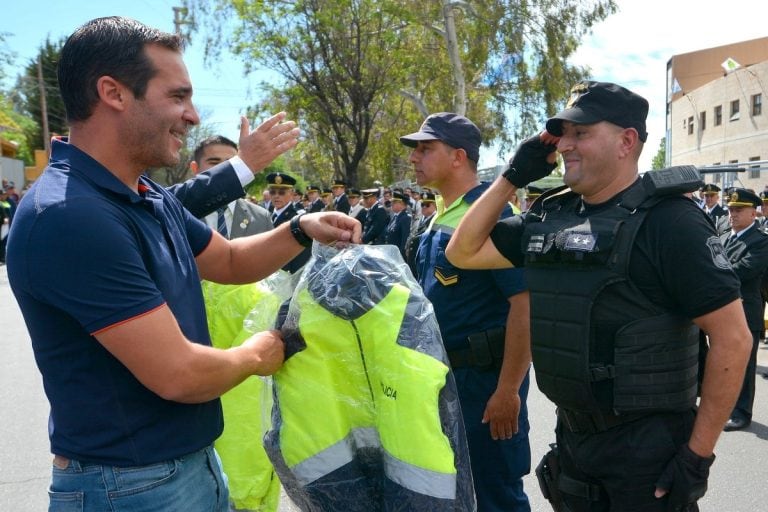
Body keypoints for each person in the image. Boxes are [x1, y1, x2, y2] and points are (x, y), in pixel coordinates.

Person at [5, 17, 360, 512]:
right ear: (113, 92)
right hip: (129, 487)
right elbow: (180, 374)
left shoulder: (144, 194)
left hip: (186, 467)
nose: (192, 116)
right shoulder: (71, 213)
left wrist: (300, 228)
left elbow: (232, 260)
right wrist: (263, 351)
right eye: (177, 96)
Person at [445, 81, 752, 512]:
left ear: (627, 141)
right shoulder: (553, 215)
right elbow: (462, 251)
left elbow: (734, 339)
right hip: (574, 440)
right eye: (562, 133)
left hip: (648, 448)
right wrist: (511, 176)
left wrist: (697, 456)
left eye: (581, 133)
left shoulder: (671, 222)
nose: (565, 145)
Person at [400, 112, 533, 512]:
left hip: (484, 383)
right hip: (445, 380)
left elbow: (524, 307)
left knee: (496, 495)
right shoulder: (440, 216)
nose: (414, 158)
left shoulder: (492, 215)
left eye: (426, 149)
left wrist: (509, 389)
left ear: (458, 157)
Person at [718, 189, 768, 431]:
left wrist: (713, 273)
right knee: (724, 362)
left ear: (753, 212)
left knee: (745, 365)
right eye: (730, 210)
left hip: (746, 312)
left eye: (738, 210)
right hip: (722, 311)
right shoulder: (725, 236)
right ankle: (727, 406)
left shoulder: (762, 240)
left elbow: (743, 271)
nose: (732, 214)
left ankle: (742, 412)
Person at [190, 135, 273, 238]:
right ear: (195, 168)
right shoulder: (176, 212)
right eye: (214, 162)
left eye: (231, 164)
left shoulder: (261, 217)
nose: (224, 170)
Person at [383, 190, 412, 259]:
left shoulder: (405, 218)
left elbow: (404, 241)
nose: (391, 204)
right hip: (390, 253)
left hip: (397, 256)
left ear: (401, 203)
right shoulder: (396, 216)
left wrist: (401, 257)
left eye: (394, 202)